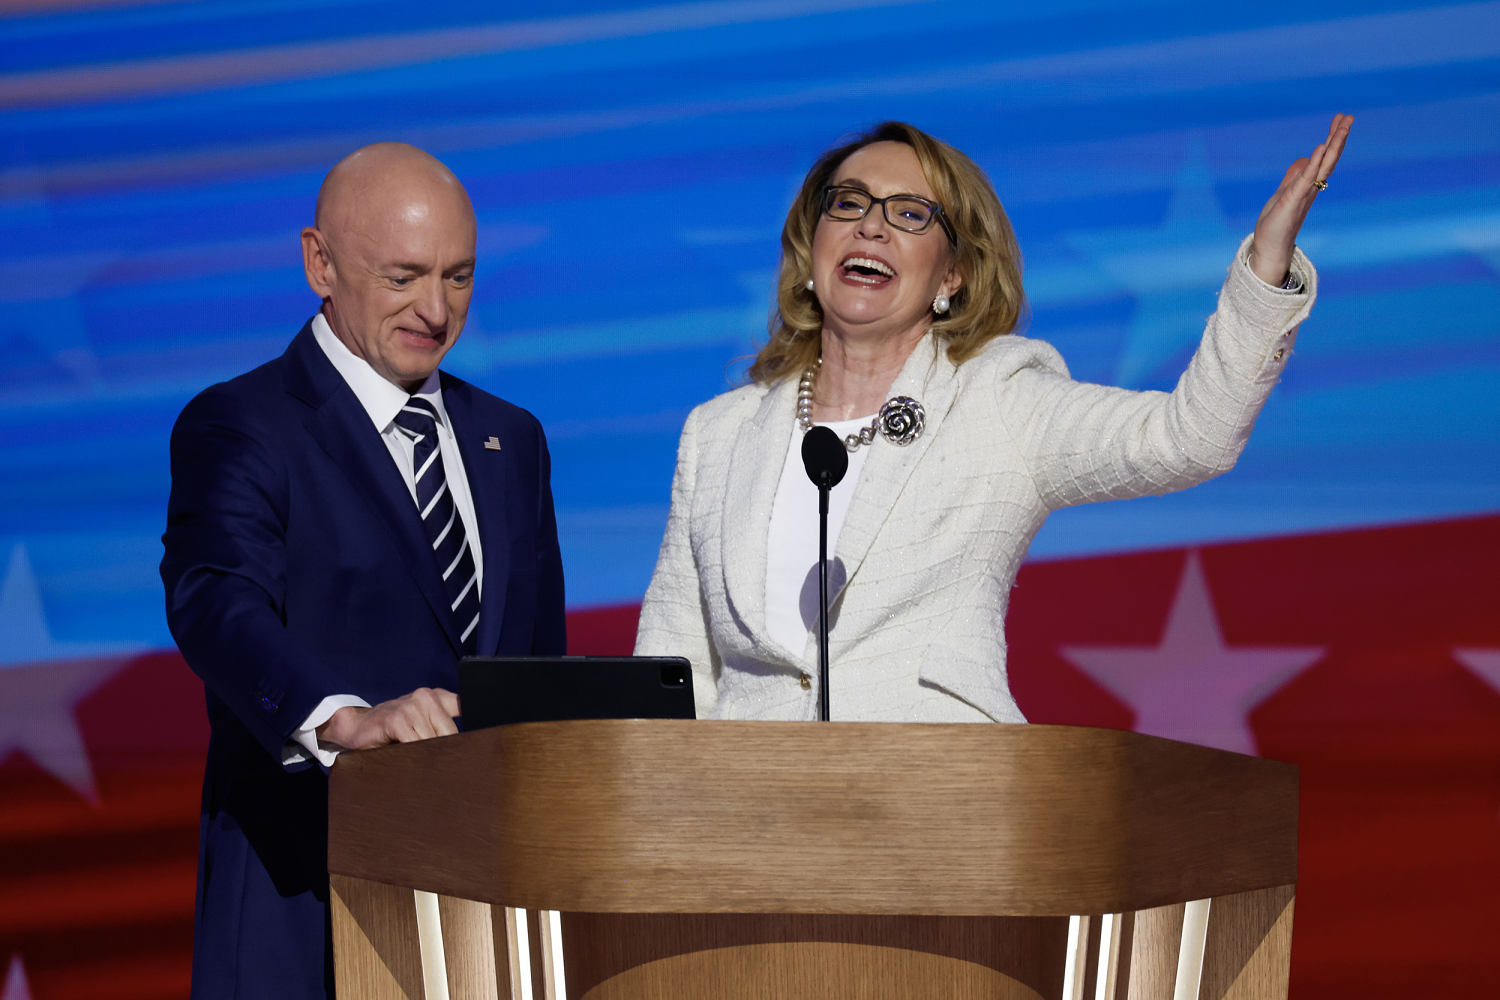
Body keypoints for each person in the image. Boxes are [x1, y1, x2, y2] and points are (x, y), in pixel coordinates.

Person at [635, 116, 1352, 723]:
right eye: (848, 203)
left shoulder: (1000, 400)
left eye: (910, 214)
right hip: (739, 839)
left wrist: (1265, 269)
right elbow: (672, 669)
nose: (872, 227)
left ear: (953, 275)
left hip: (944, 818)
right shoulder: (719, 435)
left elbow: (1189, 439)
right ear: (811, 245)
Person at [160, 143, 567, 999]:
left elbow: (538, 670)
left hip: (480, 917)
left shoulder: (512, 439)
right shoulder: (243, 424)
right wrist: (343, 722)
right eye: (403, 277)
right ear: (320, 263)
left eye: (459, 276)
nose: (436, 309)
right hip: (305, 899)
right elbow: (216, 604)